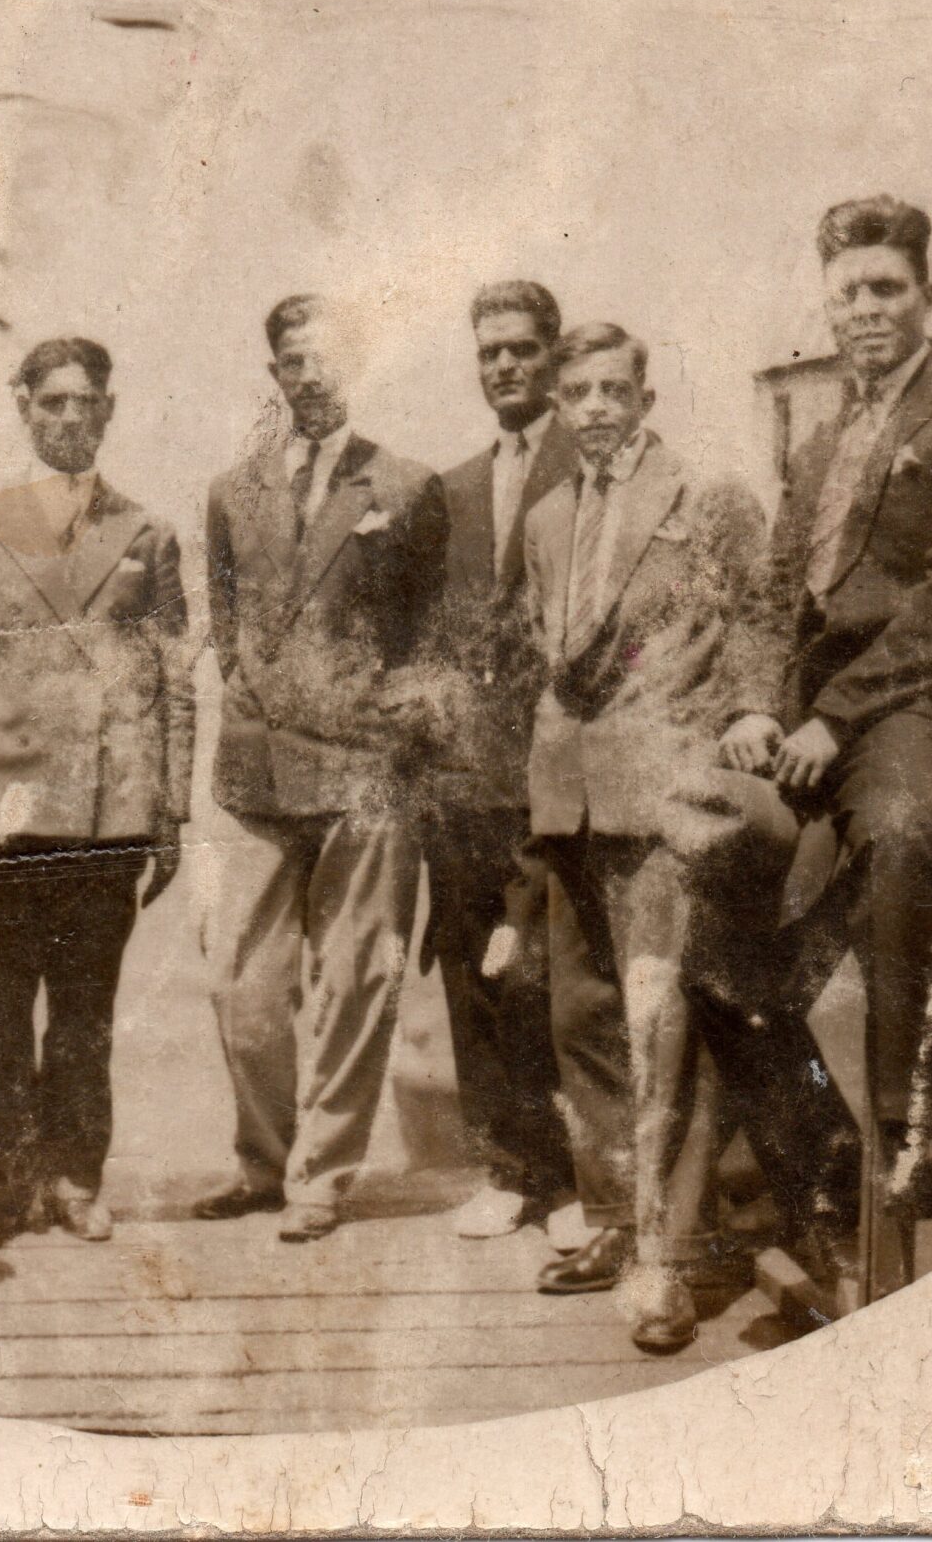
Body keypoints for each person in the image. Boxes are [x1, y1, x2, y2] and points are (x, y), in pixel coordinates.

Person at [521, 323, 857, 1354]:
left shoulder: (704, 499)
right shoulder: (544, 517)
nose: (592, 408)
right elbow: (553, 655)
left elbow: (763, 618)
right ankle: (633, 1222)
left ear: (645, 395)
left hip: (670, 795)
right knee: (583, 1017)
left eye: (611, 389)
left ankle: (662, 1263)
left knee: (660, 1021)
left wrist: (752, 713)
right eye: (574, 390)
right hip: (571, 798)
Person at [754, 196, 932, 1229]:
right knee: (689, 860)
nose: (865, 308)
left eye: (886, 288)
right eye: (847, 292)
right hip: (807, 714)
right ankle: (813, 1138)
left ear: (927, 295)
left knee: (905, 833)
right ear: (825, 307)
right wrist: (755, 707)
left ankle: (916, 1139)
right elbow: (772, 592)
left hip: (912, 702)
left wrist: (832, 716)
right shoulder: (820, 444)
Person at [0, 337, 194, 1251]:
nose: (69, 418)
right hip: (1, 808)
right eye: (52, 402)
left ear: (108, 411)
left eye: (86, 403)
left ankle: (74, 1179)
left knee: (84, 1010)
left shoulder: (147, 533)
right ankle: (0, 1189)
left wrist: (170, 810)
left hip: (108, 812)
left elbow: (173, 680)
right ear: (23, 408)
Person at [199, 295, 448, 1242]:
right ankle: (264, 1161)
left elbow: (428, 639)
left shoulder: (410, 486)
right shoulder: (233, 491)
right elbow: (228, 630)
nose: (311, 377)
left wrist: (388, 733)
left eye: (328, 360)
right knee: (241, 985)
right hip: (260, 768)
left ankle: (322, 1177)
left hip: (366, 770)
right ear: (275, 376)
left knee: (354, 977)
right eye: (293, 363)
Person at [403, 281, 581, 1241]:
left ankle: (568, 1182)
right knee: (470, 972)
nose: (504, 366)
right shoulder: (455, 488)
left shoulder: (585, 462)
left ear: (552, 354)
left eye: (519, 348)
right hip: (460, 779)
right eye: (488, 353)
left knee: (544, 976)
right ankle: (506, 1171)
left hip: (551, 771)